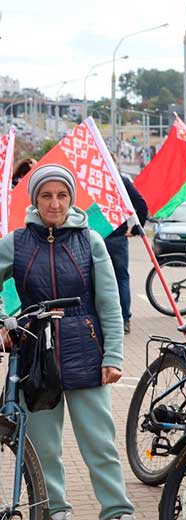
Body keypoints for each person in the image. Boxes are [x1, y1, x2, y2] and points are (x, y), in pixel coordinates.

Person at [0, 164, 134, 520]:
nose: (55, 203)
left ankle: (117, 510)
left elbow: (109, 302)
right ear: (35, 200)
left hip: (86, 352)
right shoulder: (16, 242)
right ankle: (54, 509)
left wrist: (114, 355)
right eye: (46, 195)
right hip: (34, 357)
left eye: (62, 195)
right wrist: (2, 321)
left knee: (100, 444)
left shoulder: (90, 240)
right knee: (43, 447)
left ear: (71, 198)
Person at [103, 157, 148, 335]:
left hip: (93, 237)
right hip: (117, 238)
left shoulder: (90, 183)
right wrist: (137, 229)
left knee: (94, 279)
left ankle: (100, 319)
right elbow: (142, 206)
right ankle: (124, 319)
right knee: (121, 278)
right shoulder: (122, 182)